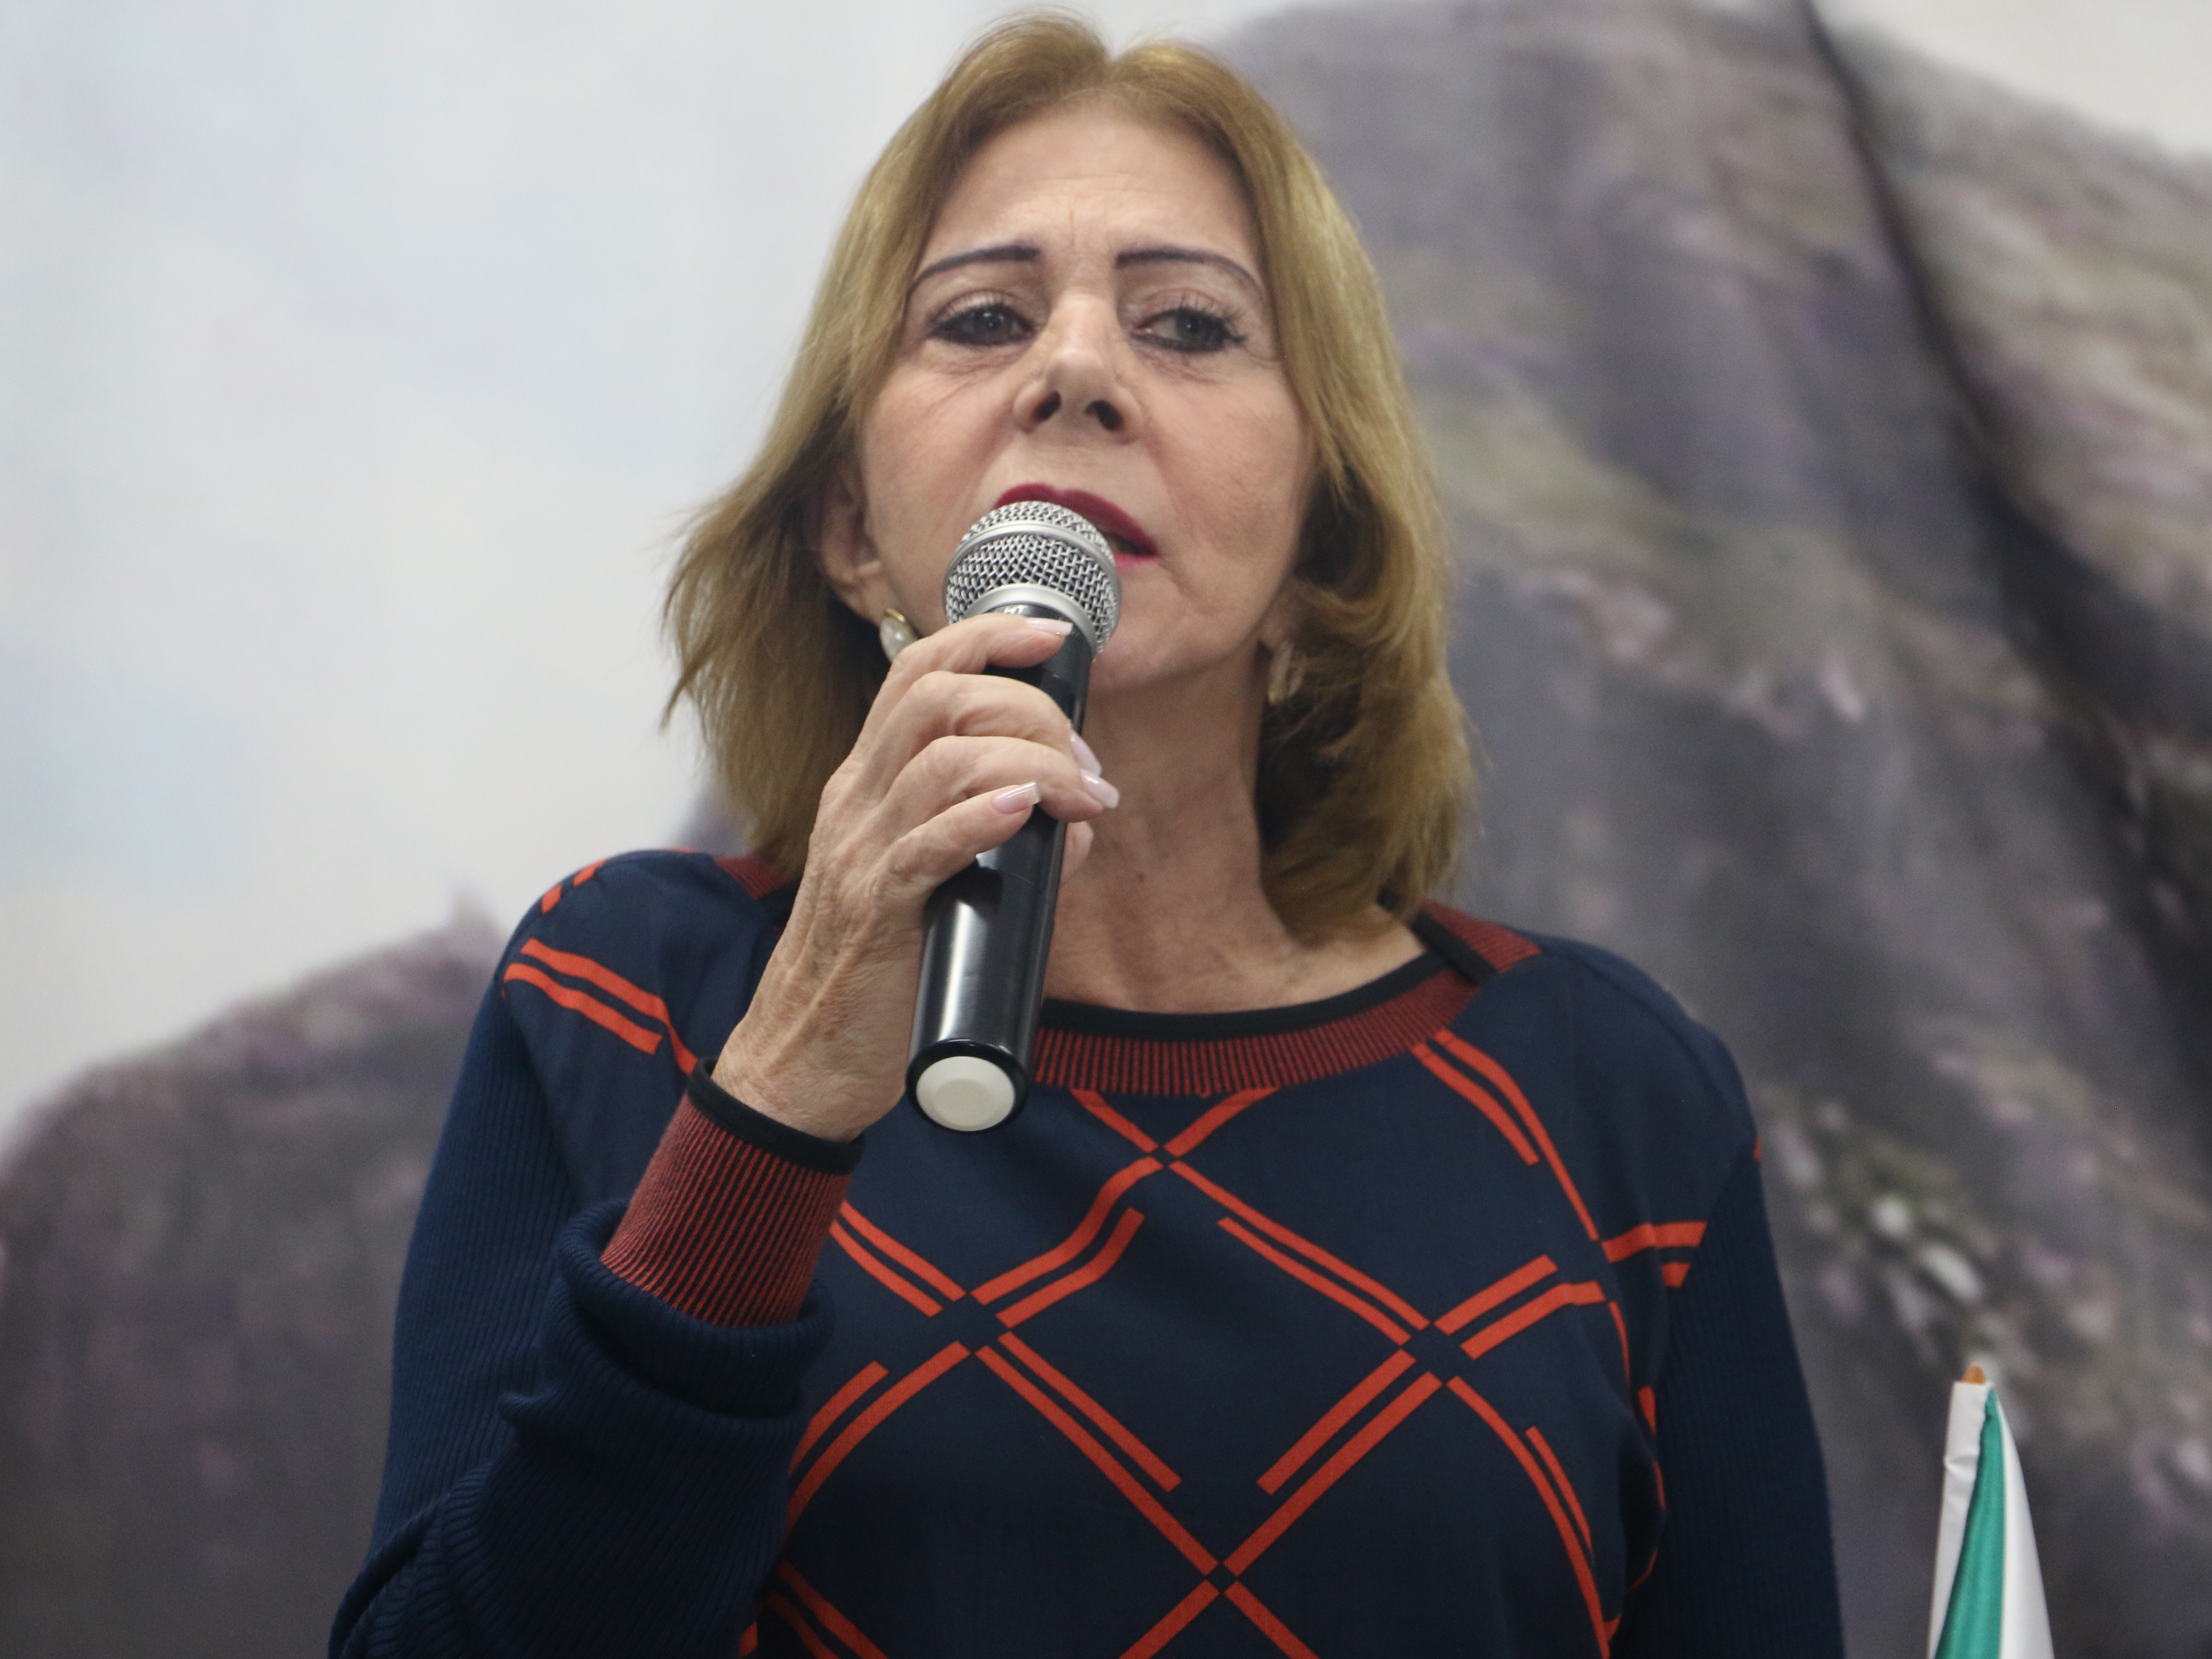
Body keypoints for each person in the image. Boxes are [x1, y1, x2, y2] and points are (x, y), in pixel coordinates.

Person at [331, 15, 1842, 1659]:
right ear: (850, 531)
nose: (1075, 371)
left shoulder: (1608, 1087)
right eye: (982, 319)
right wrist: (781, 1100)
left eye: (1189, 325)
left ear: (1322, 544)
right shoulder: (625, 996)